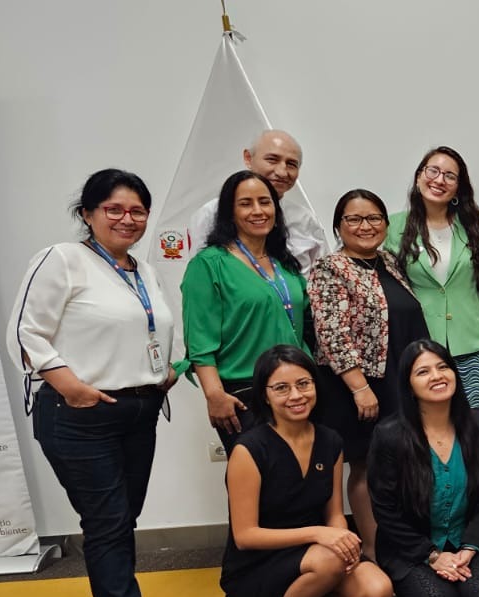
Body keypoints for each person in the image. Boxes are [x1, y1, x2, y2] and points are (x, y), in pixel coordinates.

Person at [7, 169, 184, 597]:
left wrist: (163, 370)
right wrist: (71, 386)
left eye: (137, 211)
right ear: (87, 213)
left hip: (139, 408)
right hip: (79, 413)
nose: (128, 219)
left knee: (123, 517)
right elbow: (25, 332)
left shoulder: (141, 269)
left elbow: (150, 327)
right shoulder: (62, 259)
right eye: (114, 209)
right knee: (107, 521)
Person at [221, 346, 394, 597]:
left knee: (378, 590)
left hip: (313, 553)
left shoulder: (330, 441)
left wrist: (343, 541)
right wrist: (321, 536)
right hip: (256, 565)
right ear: (265, 395)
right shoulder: (248, 449)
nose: (295, 395)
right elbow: (245, 535)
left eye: (303, 384)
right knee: (328, 560)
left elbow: (333, 513)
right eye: (281, 388)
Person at [307, 190, 429, 557]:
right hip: (360, 387)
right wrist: (359, 387)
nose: (365, 226)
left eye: (374, 218)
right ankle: (375, 551)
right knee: (365, 466)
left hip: (398, 380)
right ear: (338, 226)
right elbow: (331, 333)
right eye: (354, 219)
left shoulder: (388, 262)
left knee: (400, 464)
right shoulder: (330, 269)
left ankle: (406, 544)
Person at [368, 340, 479, 597]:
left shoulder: (477, 426)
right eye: (423, 372)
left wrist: (468, 548)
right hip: (411, 546)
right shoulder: (389, 436)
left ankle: (456, 573)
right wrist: (432, 556)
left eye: (443, 367)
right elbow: (385, 510)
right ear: (408, 384)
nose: (437, 376)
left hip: (466, 538)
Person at [181, 170, 310, 453]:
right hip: (244, 395)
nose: (258, 211)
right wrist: (214, 394)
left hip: (296, 391)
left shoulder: (284, 264)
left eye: (265, 202)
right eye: (245, 203)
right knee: (256, 488)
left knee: (300, 483)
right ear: (229, 212)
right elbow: (199, 340)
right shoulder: (209, 264)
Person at [386, 146, 479, 413]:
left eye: (450, 175)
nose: (439, 180)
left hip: (473, 340)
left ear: (459, 188)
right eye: (433, 171)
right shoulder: (393, 226)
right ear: (418, 177)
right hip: (421, 343)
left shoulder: (478, 224)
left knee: (476, 421)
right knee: (428, 421)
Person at [187, 129, 328, 270]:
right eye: (272, 160)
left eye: (291, 164)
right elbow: (200, 273)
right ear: (248, 158)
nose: (282, 172)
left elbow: (325, 277)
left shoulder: (305, 219)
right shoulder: (210, 214)